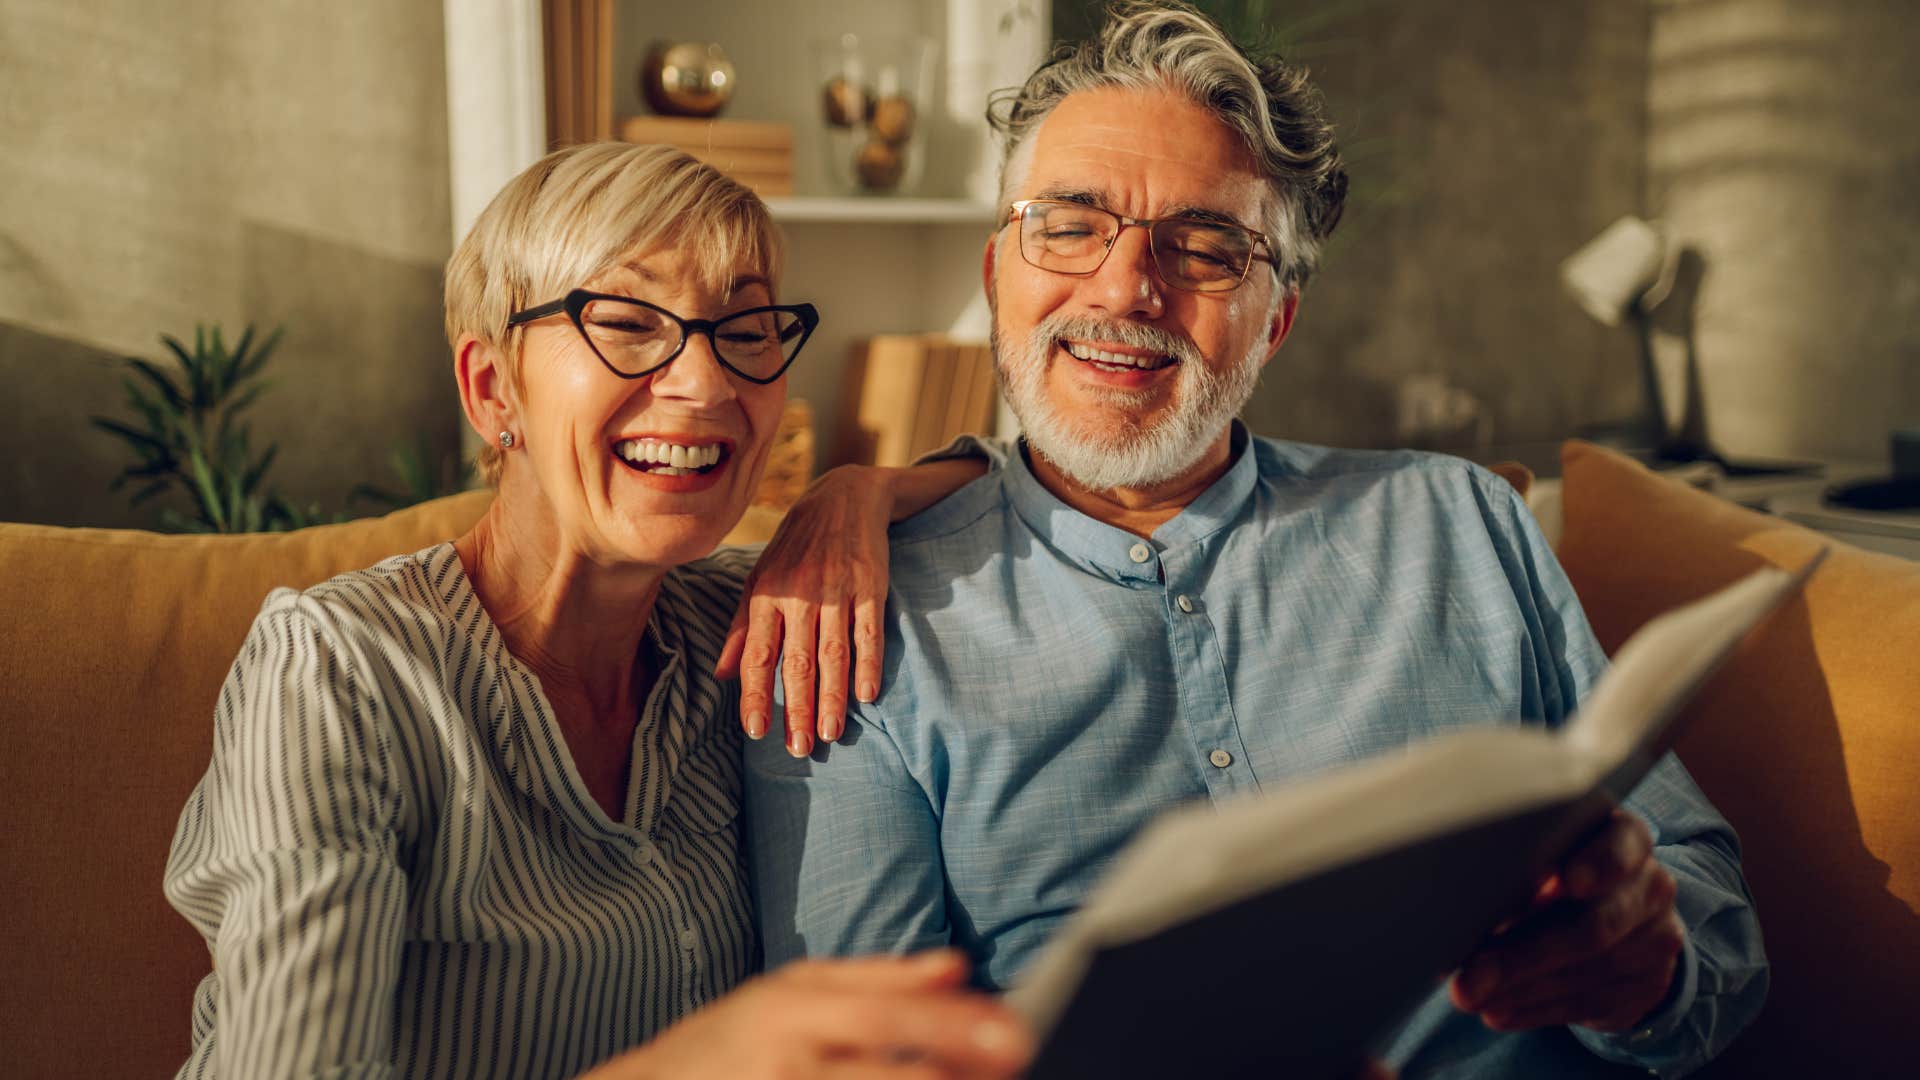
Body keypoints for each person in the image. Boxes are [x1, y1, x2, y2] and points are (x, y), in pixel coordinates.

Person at [742, 4, 1767, 1077]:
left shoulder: (1459, 522)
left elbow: (1715, 919)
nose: (1127, 287)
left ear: (1274, 320)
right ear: (999, 271)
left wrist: (1650, 967)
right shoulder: (848, 620)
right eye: (1070, 224)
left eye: (1206, 248)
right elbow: (858, 1057)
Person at [162, 141, 1030, 1080]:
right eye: (624, 322)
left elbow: (1036, 473)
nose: (705, 385)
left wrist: (860, 490)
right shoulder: (341, 675)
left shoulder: (750, 620)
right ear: (494, 388)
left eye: (744, 330)